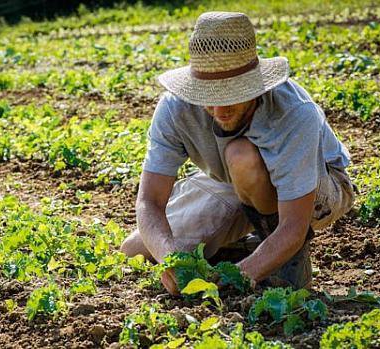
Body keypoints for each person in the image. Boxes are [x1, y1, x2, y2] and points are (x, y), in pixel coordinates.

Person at [120, 12, 355, 295]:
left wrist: (237, 277)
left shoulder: (293, 112)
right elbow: (149, 202)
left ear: (254, 85)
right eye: (208, 96)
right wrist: (170, 259)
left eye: (230, 95)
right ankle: (248, 247)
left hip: (316, 188)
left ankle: (286, 259)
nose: (219, 110)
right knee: (135, 249)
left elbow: (294, 225)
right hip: (234, 182)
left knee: (240, 154)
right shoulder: (175, 108)